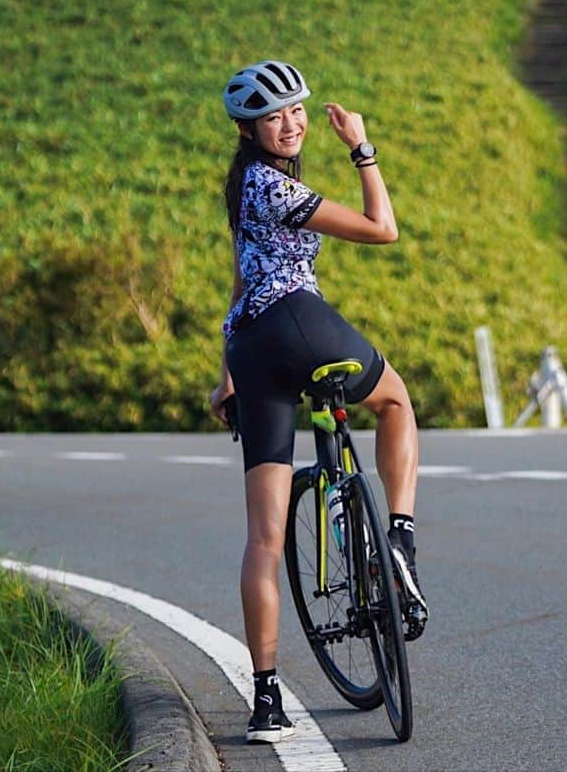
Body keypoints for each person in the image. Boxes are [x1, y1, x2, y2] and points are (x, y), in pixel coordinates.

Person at [208, 58, 428, 744]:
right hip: (300, 322)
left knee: (264, 539)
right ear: (249, 130)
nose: (290, 123)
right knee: (394, 402)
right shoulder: (276, 187)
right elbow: (381, 227)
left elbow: (243, 286)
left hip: (252, 350)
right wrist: (361, 148)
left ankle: (267, 700)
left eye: (295, 110)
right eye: (273, 117)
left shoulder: (244, 188)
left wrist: (227, 377)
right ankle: (398, 538)